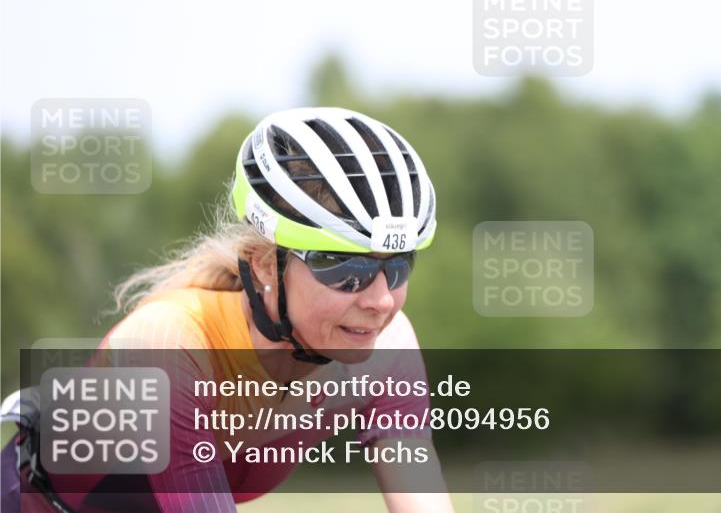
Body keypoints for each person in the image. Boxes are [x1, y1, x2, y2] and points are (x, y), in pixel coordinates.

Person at [2, 107, 455, 513]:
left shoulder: (386, 345)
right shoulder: (168, 343)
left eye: (398, 267)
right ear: (264, 264)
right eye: (346, 271)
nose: (379, 300)